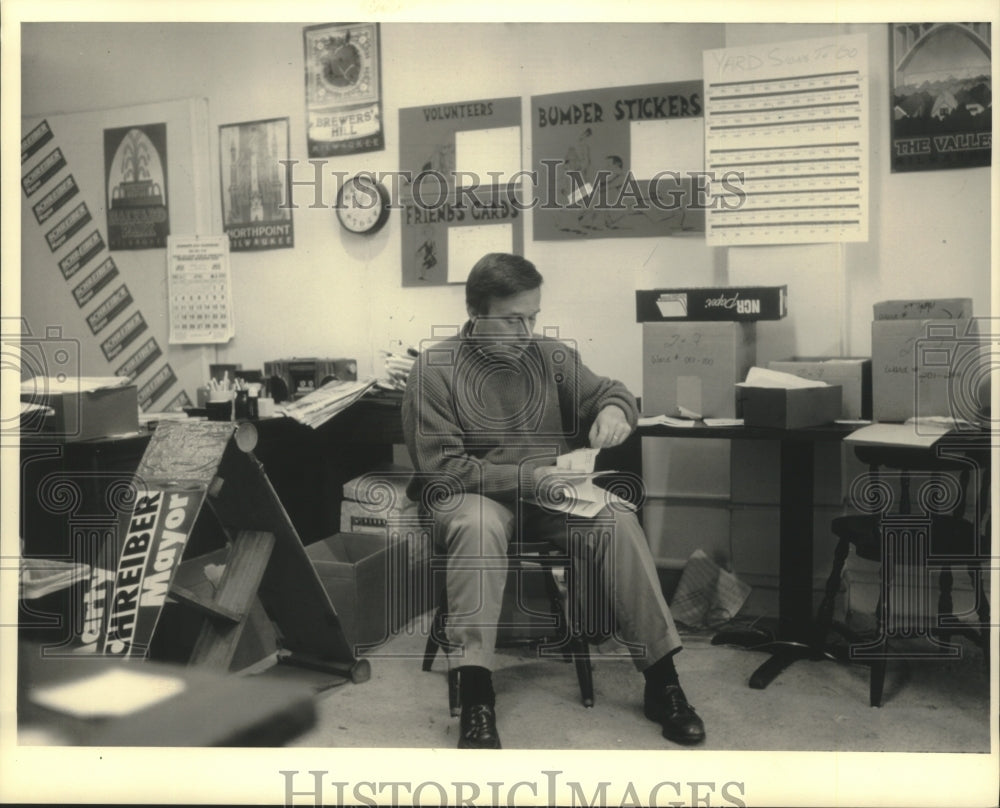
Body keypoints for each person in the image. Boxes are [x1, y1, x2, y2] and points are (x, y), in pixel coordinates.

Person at [402, 252, 705, 750]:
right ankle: (478, 695)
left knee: (616, 517)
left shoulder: (550, 357)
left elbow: (611, 390)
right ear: (476, 313)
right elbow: (443, 470)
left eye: (534, 317)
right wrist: (529, 478)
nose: (527, 331)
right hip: (472, 497)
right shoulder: (433, 371)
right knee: (479, 528)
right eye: (513, 319)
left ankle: (662, 680)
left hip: (545, 495)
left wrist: (613, 409)